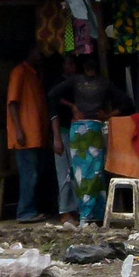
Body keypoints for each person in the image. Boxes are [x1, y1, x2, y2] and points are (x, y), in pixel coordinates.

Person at [49, 57, 132, 226]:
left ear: (83, 67)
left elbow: (52, 95)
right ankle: (95, 214)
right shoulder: (104, 83)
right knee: (95, 174)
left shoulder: (75, 81)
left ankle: (86, 215)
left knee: (81, 175)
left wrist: (72, 106)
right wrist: (108, 115)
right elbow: (127, 103)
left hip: (79, 131)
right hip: (95, 129)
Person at [7, 47, 50, 222]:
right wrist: (18, 129)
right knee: (29, 175)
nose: (41, 56)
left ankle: (29, 209)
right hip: (25, 135)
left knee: (34, 174)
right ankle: (25, 212)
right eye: (38, 52)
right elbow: (12, 103)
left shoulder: (35, 74)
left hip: (37, 135)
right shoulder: (19, 72)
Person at [52, 55, 82, 224]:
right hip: (62, 133)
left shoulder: (76, 85)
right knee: (64, 175)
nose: (73, 66)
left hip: (76, 133)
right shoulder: (58, 86)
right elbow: (54, 114)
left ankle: (76, 209)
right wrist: (57, 138)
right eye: (69, 63)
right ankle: (64, 211)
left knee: (76, 174)